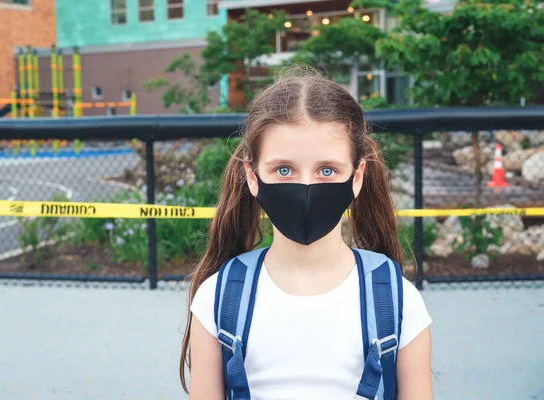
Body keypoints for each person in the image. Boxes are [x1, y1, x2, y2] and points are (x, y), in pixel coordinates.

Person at [180, 69, 433, 400]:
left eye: (327, 171)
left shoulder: (400, 301)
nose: (306, 187)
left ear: (357, 176)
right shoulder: (217, 299)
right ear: (252, 176)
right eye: (283, 170)